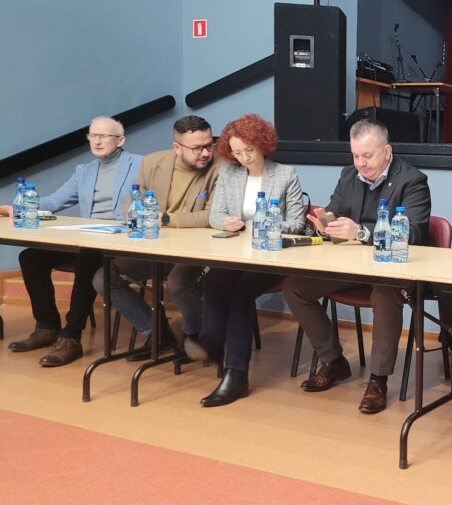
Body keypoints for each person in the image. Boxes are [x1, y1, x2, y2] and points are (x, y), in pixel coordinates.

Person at [281, 118, 430, 414]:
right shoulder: (348, 175)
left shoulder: (412, 180)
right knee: (295, 286)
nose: (361, 163)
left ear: (387, 151)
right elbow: (335, 213)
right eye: (355, 155)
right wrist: (325, 225)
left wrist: (360, 232)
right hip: (352, 267)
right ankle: (334, 361)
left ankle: (378, 379)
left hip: (391, 269)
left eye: (367, 156)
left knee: (385, 293)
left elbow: (413, 232)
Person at [184, 114, 305, 407]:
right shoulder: (229, 173)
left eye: (248, 150)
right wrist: (225, 222)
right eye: (237, 152)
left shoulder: (285, 174)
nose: (243, 158)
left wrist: (264, 225)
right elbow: (215, 215)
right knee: (214, 278)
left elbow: (298, 223)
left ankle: (235, 373)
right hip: (237, 253)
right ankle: (213, 341)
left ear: (262, 144)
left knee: (239, 292)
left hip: (273, 257)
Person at [3, 117, 141, 366]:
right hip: (89, 236)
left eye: (104, 136)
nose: (97, 141)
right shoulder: (84, 171)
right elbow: (55, 201)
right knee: (30, 257)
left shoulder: (141, 165)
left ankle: (71, 336)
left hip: (123, 240)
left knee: (88, 256)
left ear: (120, 140)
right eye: (92, 135)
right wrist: (17, 207)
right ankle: (47, 326)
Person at [92, 115, 219, 360]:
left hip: (196, 250)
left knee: (178, 282)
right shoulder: (152, 162)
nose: (205, 153)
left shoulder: (220, 168)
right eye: (197, 148)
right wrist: (135, 213)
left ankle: (194, 337)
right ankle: (157, 332)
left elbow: (212, 215)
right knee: (103, 277)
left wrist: (167, 219)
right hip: (156, 246)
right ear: (177, 147)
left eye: (209, 145)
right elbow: (131, 200)